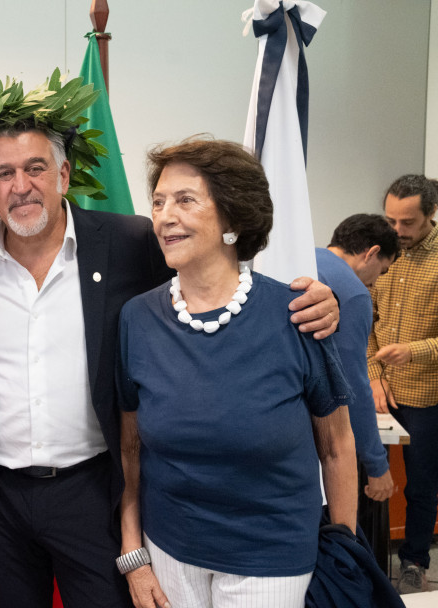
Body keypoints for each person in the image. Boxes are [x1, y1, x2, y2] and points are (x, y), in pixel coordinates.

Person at [0, 74, 341, 608]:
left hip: (94, 491)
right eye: (3, 173)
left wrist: (319, 298)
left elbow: (211, 276)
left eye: (35, 167)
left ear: (62, 174)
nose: (20, 185)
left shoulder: (131, 242)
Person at [117, 139, 358, 608]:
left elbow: (336, 444)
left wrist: (342, 548)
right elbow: (130, 447)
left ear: (232, 217)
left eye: (186, 200)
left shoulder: (298, 314)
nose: (165, 215)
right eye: (159, 201)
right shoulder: (137, 319)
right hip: (170, 551)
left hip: (272, 556)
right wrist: (134, 551)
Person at [368, 175, 438, 595]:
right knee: (363, 474)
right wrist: (375, 375)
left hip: (425, 396)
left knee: (421, 485)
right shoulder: (382, 253)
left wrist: (414, 351)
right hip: (379, 391)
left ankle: (414, 563)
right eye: (391, 219)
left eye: (407, 222)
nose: (397, 230)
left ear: (431, 215)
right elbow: (366, 323)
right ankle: (364, 556)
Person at [316, 214, 400, 566]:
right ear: (372, 253)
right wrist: (377, 465)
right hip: (320, 431)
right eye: (381, 272)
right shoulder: (351, 292)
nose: (375, 283)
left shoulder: (306, 259)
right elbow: (352, 387)